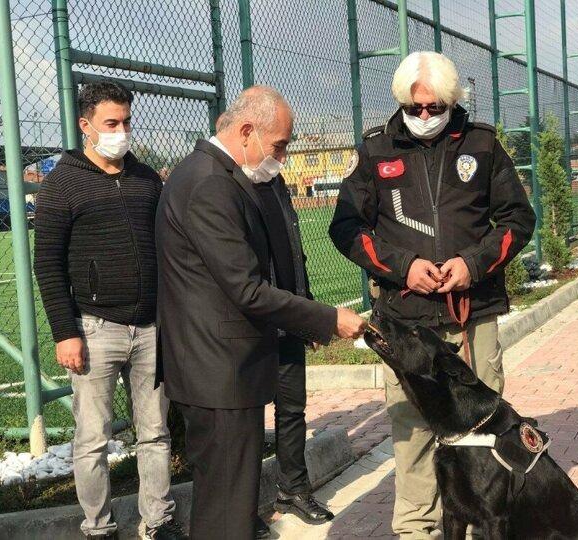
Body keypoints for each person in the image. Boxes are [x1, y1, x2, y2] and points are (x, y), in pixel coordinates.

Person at [329, 51, 537, 538]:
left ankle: (487, 522)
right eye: (414, 107)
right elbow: (347, 227)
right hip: (406, 319)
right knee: (414, 430)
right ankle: (416, 529)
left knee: (482, 425)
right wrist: (403, 268)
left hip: (473, 312)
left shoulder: (482, 144)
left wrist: (472, 264)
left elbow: (517, 219)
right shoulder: (375, 150)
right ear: (401, 102)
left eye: (434, 107)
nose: (424, 116)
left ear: (451, 101)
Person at [155, 85, 367, 540]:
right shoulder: (211, 184)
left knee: (226, 501)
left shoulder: (213, 174)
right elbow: (247, 289)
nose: (282, 158)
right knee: (226, 510)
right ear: (247, 131)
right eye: (279, 146)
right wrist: (327, 318)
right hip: (218, 370)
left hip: (222, 368)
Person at [34, 81, 185, 540]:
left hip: (151, 328)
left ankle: (157, 521)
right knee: (92, 440)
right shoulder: (62, 184)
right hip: (94, 329)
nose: (121, 131)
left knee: (154, 433)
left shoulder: (146, 179)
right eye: (111, 123)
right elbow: (47, 263)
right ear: (86, 125)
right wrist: (65, 332)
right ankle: (98, 528)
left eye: (126, 122)